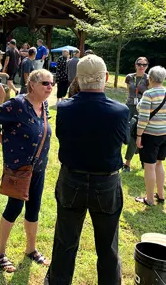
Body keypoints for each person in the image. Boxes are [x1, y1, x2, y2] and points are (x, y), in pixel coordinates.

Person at [46, 55, 129, 285]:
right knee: (108, 246)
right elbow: (124, 140)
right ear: (106, 78)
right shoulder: (120, 111)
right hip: (106, 183)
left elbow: (63, 136)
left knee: (65, 242)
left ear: (77, 79)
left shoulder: (64, 108)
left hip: (72, 179)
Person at [0, 69, 54, 272]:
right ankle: (0, 253)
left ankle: (31, 250)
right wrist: (5, 142)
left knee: (34, 209)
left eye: (52, 84)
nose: (50, 87)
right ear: (32, 84)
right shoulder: (18, 104)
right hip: (19, 169)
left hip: (38, 169)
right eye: (45, 83)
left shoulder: (44, 104)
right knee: (14, 209)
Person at [135, 65, 166, 206]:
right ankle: (160, 194)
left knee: (149, 166)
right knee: (159, 163)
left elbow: (143, 117)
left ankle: (149, 199)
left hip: (150, 135)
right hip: (164, 134)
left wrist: (139, 135)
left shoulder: (149, 94)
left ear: (150, 78)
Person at [122, 57, 149, 172]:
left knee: (135, 134)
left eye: (144, 65)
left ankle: (127, 163)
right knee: (124, 131)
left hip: (141, 109)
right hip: (129, 107)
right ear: (135, 65)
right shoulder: (129, 77)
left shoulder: (149, 78)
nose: (142, 67)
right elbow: (129, 92)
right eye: (139, 64)